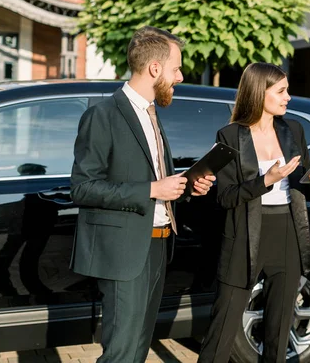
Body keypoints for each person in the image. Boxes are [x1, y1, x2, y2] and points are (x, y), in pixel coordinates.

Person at [70, 26, 215, 363]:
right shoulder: (102, 115)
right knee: (121, 354)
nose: (179, 77)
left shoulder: (152, 114)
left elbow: (155, 179)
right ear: (154, 68)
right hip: (124, 254)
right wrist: (152, 189)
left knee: (137, 350)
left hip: (159, 246)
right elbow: (82, 187)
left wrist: (187, 187)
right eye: (176, 68)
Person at [197, 62, 310, 363]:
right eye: (282, 91)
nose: (288, 97)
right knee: (221, 332)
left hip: (287, 233)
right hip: (244, 234)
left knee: (278, 335)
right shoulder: (230, 135)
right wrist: (266, 181)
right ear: (260, 93)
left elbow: (302, 184)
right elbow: (226, 197)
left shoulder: (293, 130)